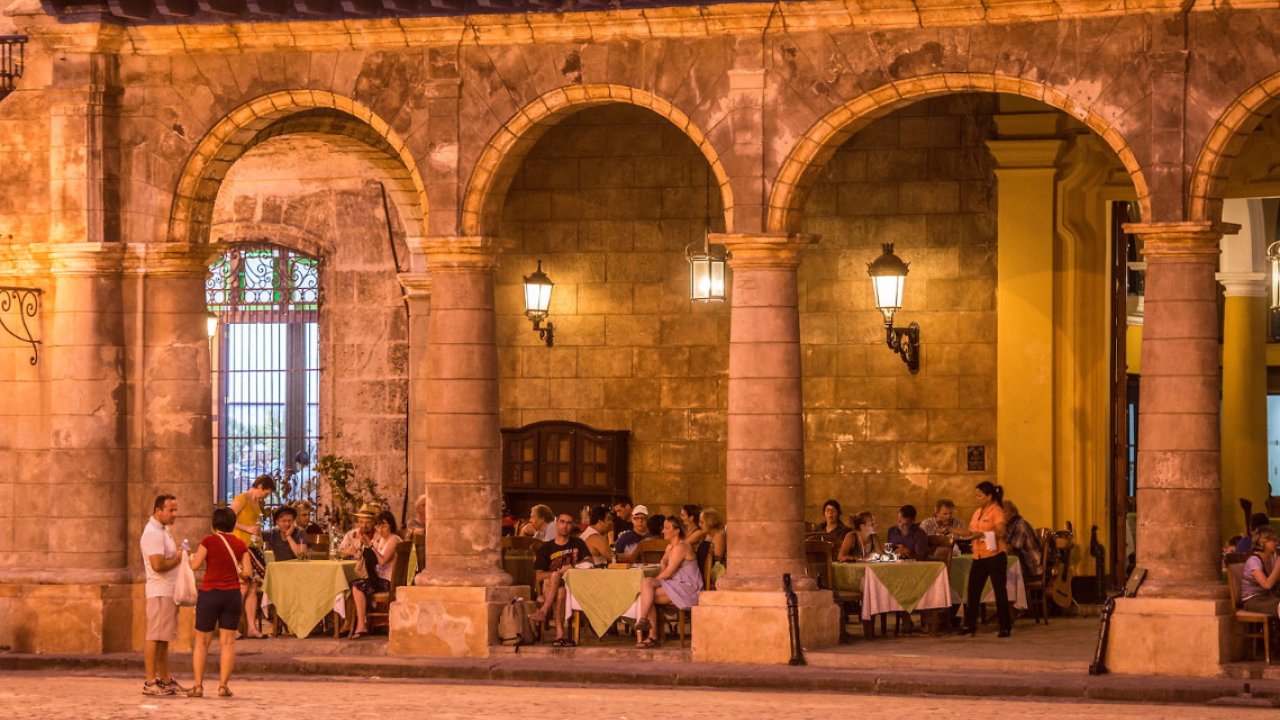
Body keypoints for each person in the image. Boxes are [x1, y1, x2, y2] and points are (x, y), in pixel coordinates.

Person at [187, 506, 253, 698]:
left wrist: (187, 555)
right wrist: (240, 572)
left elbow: (195, 565)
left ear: (213, 524)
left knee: (201, 642)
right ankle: (223, 686)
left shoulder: (208, 540)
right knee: (228, 643)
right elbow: (248, 574)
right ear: (233, 525)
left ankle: (198, 686)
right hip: (231, 595)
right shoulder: (240, 544)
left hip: (210, 594)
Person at [140, 494, 186, 696]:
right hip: (159, 591)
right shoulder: (152, 533)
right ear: (158, 511)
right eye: (171, 510)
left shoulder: (162, 531)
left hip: (167, 590)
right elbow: (158, 565)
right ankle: (150, 681)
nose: (175, 514)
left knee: (163, 638)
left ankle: (165, 680)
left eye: (176, 509)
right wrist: (179, 557)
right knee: (154, 636)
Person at [634, 517, 704, 648]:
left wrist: (657, 580)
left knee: (647, 591)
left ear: (677, 531)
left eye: (667, 528)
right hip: (676, 584)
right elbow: (664, 562)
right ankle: (647, 627)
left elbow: (667, 573)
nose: (663, 531)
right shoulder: (670, 547)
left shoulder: (682, 547)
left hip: (687, 587)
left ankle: (650, 633)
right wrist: (663, 563)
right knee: (647, 589)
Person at [953, 482, 1012, 638]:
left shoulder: (997, 511)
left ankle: (1005, 627)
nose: (976, 498)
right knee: (973, 591)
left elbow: (1001, 531)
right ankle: (970, 625)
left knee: (1000, 591)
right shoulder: (978, 512)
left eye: (979, 495)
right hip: (978, 555)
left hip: (995, 555)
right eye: (976, 495)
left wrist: (984, 534)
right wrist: (950, 529)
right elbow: (969, 532)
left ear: (989, 496)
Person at [528, 512, 593, 646]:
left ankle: (545, 613)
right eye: (562, 522)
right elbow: (539, 575)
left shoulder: (578, 543)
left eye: (569, 523)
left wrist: (573, 567)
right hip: (550, 585)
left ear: (572, 525)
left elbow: (589, 560)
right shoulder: (546, 547)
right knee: (556, 578)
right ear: (557, 524)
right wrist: (556, 573)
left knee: (562, 590)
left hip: (572, 586)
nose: (565, 526)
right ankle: (559, 635)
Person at [231, 475, 273, 637]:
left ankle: (251, 627)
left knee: (253, 587)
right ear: (260, 486)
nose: (266, 496)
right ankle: (232, 626)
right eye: (266, 493)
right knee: (242, 586)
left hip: (254, 546)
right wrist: (247, 528)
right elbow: (229, 518)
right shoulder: (242, 498)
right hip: (242, 546)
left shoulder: (256, 503)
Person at [349, 510, 401, 639]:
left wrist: (371, 546)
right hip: (379, 578)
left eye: (384, 525)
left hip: (387, 582)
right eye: (378, 526)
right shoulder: (383, 540)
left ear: (391, 525)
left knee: (357, 586)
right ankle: (359, 624)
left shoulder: (394, 539)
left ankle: (361, 625)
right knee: (354, 584)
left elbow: (382, 561)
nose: (380, 529)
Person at [1241, 528, 1280, 618]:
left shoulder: (1271, 558)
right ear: (1262, 543)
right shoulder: (1254, 560)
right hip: (1253, 600)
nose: (1276, 543)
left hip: (1267, 597)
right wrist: (1278, 564)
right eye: (1272, 540)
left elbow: (1276, 581)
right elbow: (1267, 584)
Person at [1003, 501, 1043, 578]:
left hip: (1031, 566)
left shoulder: (1021, 525)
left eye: (1004, 512)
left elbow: (1011, 549)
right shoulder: (1010, 525)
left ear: (1013, 513)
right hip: (1021, 562)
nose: (1001, 515)